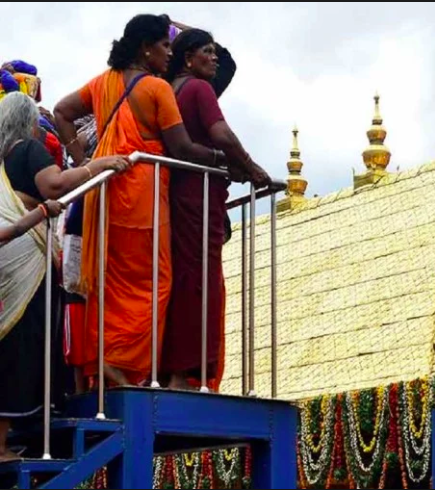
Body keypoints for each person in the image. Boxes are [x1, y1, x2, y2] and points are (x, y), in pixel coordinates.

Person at [53, 14, 225, 387]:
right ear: (146, 48)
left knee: (110, 283)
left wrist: (82, 157)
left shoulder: (104, 83)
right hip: (142, 200)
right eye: (164, 45)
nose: (169, 52)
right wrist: (220, 160)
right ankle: (125, 369)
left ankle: (105, 364)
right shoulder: (157, 89)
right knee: (154, 283)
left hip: (105, 196)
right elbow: (180, 146)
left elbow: (62, 112)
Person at [0, 92, 130, 462]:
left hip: (10, 258)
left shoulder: (2, 162)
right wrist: (98, 165)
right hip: (25, 255)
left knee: (13, 339)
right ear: (27, 123)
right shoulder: (28, 149)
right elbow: (55, 186)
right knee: (24, 338)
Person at [161, 27, 270, 390]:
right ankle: (184, 376)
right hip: (198, 194)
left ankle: (174, 373)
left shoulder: (170, 90)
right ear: (188, 58)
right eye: (207, 51)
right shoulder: (197, 88)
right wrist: (252, 167)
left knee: (183, 279)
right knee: (202, 281)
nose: (215, 58)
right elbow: (220, 132)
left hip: (179, 194)